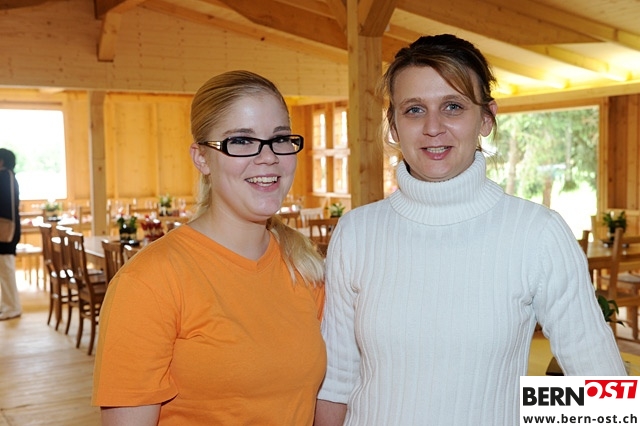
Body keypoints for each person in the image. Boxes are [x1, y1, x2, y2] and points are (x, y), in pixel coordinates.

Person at [315, 34, 626, 426]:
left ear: (486, 118)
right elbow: (338, 381)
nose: (433, 127)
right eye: (414, 109)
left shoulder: (537, 233)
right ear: (393, 124)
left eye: (453, 106)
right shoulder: (357, 232)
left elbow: (600, 381)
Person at [92, 70, 326, 425]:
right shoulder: (149, 282)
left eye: (279, 139)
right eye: (242, 141)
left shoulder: (304, 267)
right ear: (201, 158)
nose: (268, 157)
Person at [0, 148, 22, 321]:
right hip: (5, 228)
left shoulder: (6, 176)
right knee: (4, 269)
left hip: (6, 230)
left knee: (6, 269)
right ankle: (6, 304)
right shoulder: (5, 176)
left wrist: (9, 233)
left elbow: (10, 209)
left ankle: (12, 307)